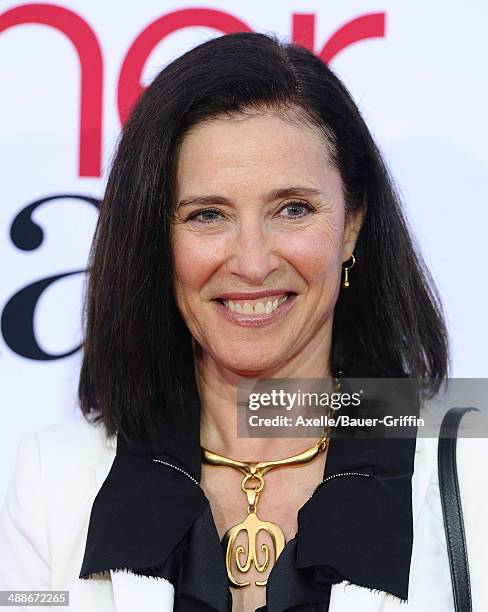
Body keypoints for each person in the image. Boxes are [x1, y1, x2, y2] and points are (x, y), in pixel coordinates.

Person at [0, 31, 486, 612]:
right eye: (208, 215)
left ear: (351, 224)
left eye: (293, 209)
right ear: (157, 239)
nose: (253, 263)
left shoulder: (474, 473)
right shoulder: (54, 480)